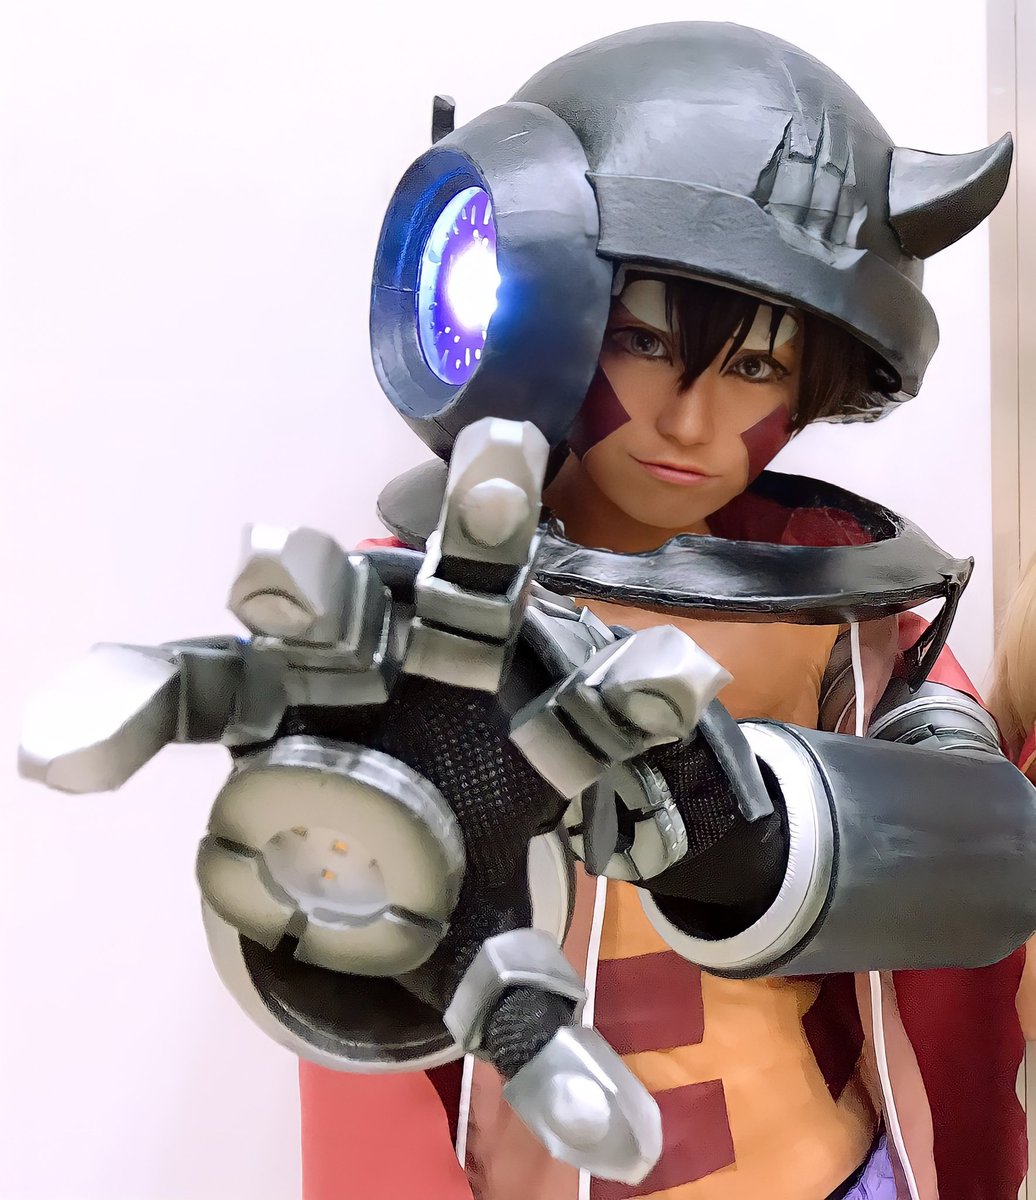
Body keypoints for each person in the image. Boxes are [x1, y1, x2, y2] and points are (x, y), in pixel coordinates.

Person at [17, 19, 1035, 1200]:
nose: (690, 422)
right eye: (644, 341)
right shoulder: (424, 613)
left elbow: (986, 862)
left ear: (821, 376)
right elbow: (331, 926)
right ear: (553, 321)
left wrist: (756, 840)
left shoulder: (847, 619)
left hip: (821, 1165)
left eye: (755, 366)